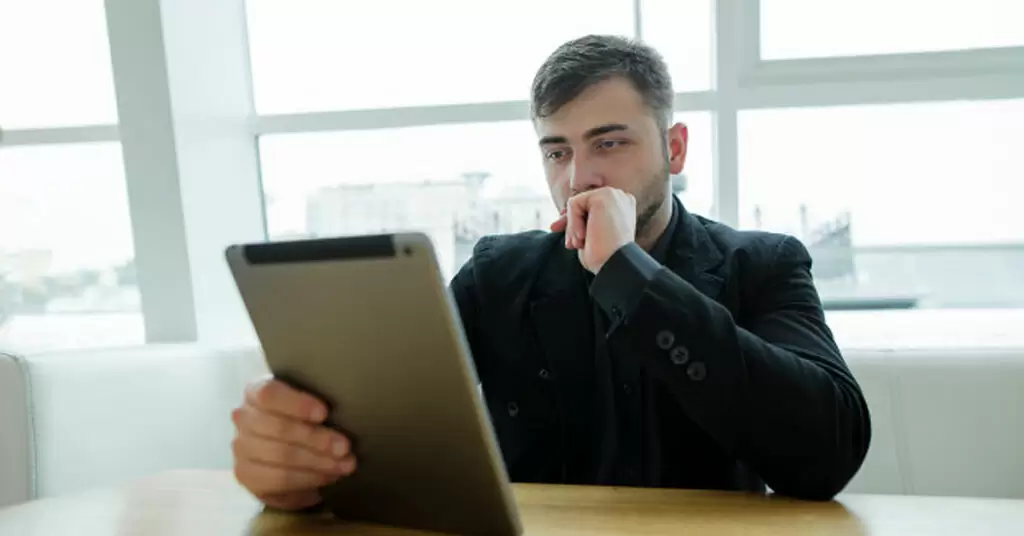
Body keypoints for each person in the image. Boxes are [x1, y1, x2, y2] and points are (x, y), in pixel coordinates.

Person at [230, 35, 871, 511]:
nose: (578, 178)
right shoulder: (497, 274)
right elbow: (388, 427)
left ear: (673, 149)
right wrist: (298, 463)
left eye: (610, 143)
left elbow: (827, 455)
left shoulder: (763, 263)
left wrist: (631, 276)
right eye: (557, 151)